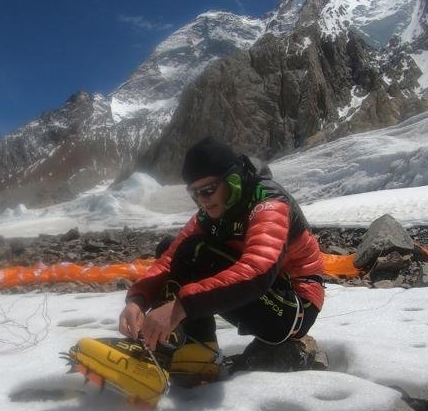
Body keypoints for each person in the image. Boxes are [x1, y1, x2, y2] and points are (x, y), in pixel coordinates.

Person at [118, 137, 325, 381]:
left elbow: (259, 271)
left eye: (207, 190)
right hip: (268, 295)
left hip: (294, 307)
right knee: (177, 248)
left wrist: (179, 307)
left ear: (232, 180)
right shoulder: (212, 211)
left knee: (198, 253)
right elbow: (170, 257)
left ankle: (190, 348)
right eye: (195, 194)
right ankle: (192, 348)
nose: (202, 200)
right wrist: (137, 300)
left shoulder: (269, 202)